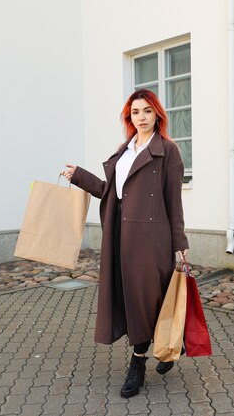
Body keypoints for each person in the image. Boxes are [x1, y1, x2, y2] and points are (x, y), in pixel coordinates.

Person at [61, 89, 189, 398]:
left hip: (152, 239)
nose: (141, 117)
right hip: (121, 238)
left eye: (147, 111)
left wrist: (180, 242)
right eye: (135, 112)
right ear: (128, 117)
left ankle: (138, 363)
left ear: (157, 113)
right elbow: (110, 191)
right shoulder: (124, 150)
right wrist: (78, 175)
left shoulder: (168, 151)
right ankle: (172, 342)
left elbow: (174, 201)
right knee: (137, 298)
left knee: (145, 299)